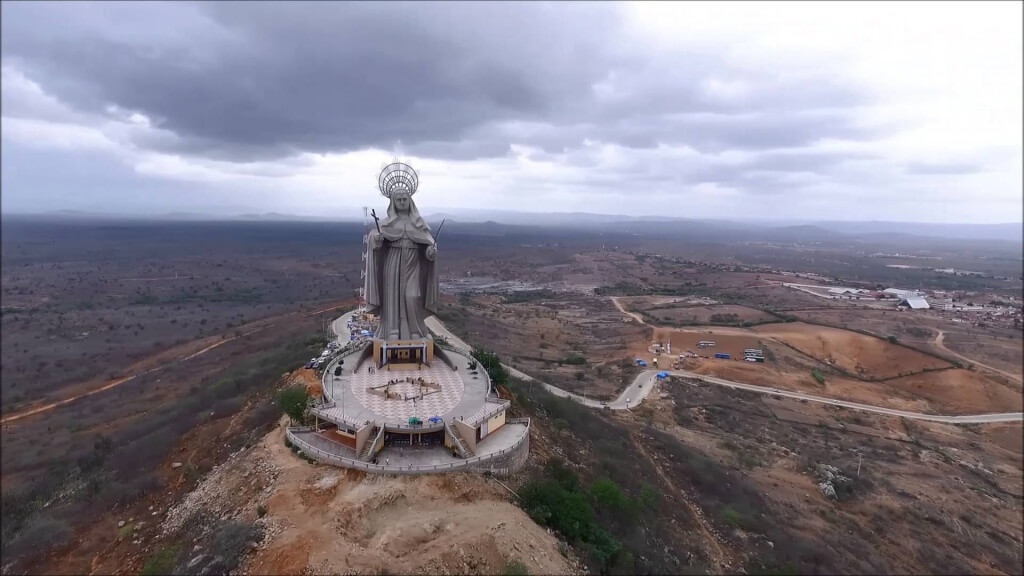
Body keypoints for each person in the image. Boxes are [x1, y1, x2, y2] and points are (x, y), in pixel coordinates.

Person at [364, 190, 439, 340]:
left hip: (413, 263)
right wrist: (376, 239)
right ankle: (392, 330)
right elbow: (374, 238)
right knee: (392, 296)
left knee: (413, 296)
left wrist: (430, 251)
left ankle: (415, 330)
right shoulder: (388, 223)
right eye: (399, 200)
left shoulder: (418, 223)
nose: (403, 202)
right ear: (393, 202)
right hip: (393, 261)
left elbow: (429, 244)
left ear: (410, 200)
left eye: (405, 199)